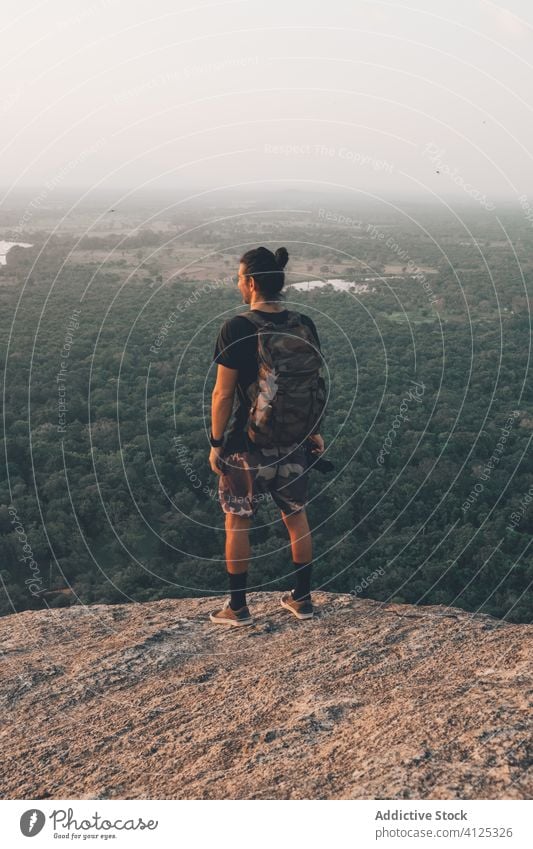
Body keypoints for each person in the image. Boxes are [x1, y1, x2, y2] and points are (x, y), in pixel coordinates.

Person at [208, 246, 325, 627]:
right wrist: (314, 432)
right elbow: (308, 383)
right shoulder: (303, 323)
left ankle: (238, 608)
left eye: (239, 277)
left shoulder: (238, 327)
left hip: (247, 445)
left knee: (237, 521)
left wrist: (215, 442)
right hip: (294, 441)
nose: (237, 283)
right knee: (296, 515)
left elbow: (223, 393)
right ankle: (302, 600)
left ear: (253, 283)